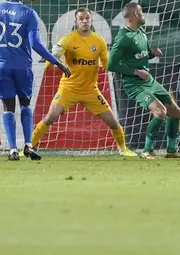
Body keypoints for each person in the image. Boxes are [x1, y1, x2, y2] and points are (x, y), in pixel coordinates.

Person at [0, 0, 70, 161]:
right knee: (25, 105)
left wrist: (2, 49)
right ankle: (28, 145)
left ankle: (13, 149)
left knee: (8, 107)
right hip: (23, 67)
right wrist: (57, 62)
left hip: (4, 66)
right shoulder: (29, 14)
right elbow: (35, 44)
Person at [30, 8, 137, 158]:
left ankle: (123, 149)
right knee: (50, 118)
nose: (85, 21)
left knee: (113, 122)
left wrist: (123, 64)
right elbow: (50, 63)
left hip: (90, 90)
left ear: (91, 20)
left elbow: (107, 65)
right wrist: (53, 57)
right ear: (76, 22)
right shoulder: (68, 39)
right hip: (69, 88)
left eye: (87, 18)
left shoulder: (99, 41)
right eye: (81, 18)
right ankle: (29, 147)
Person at [109, 2, 180, 159]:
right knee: (160, 112)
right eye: (141, 11)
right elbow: (111, 64)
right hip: (133, 84)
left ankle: (172, 150)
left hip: (149, 81)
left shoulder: (141, 31)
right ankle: (147, 150)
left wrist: (152, 53)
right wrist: (135, 72)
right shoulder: (123, 38)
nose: (143, 14)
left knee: (174, 112)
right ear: (135, 14)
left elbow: (142, 55)